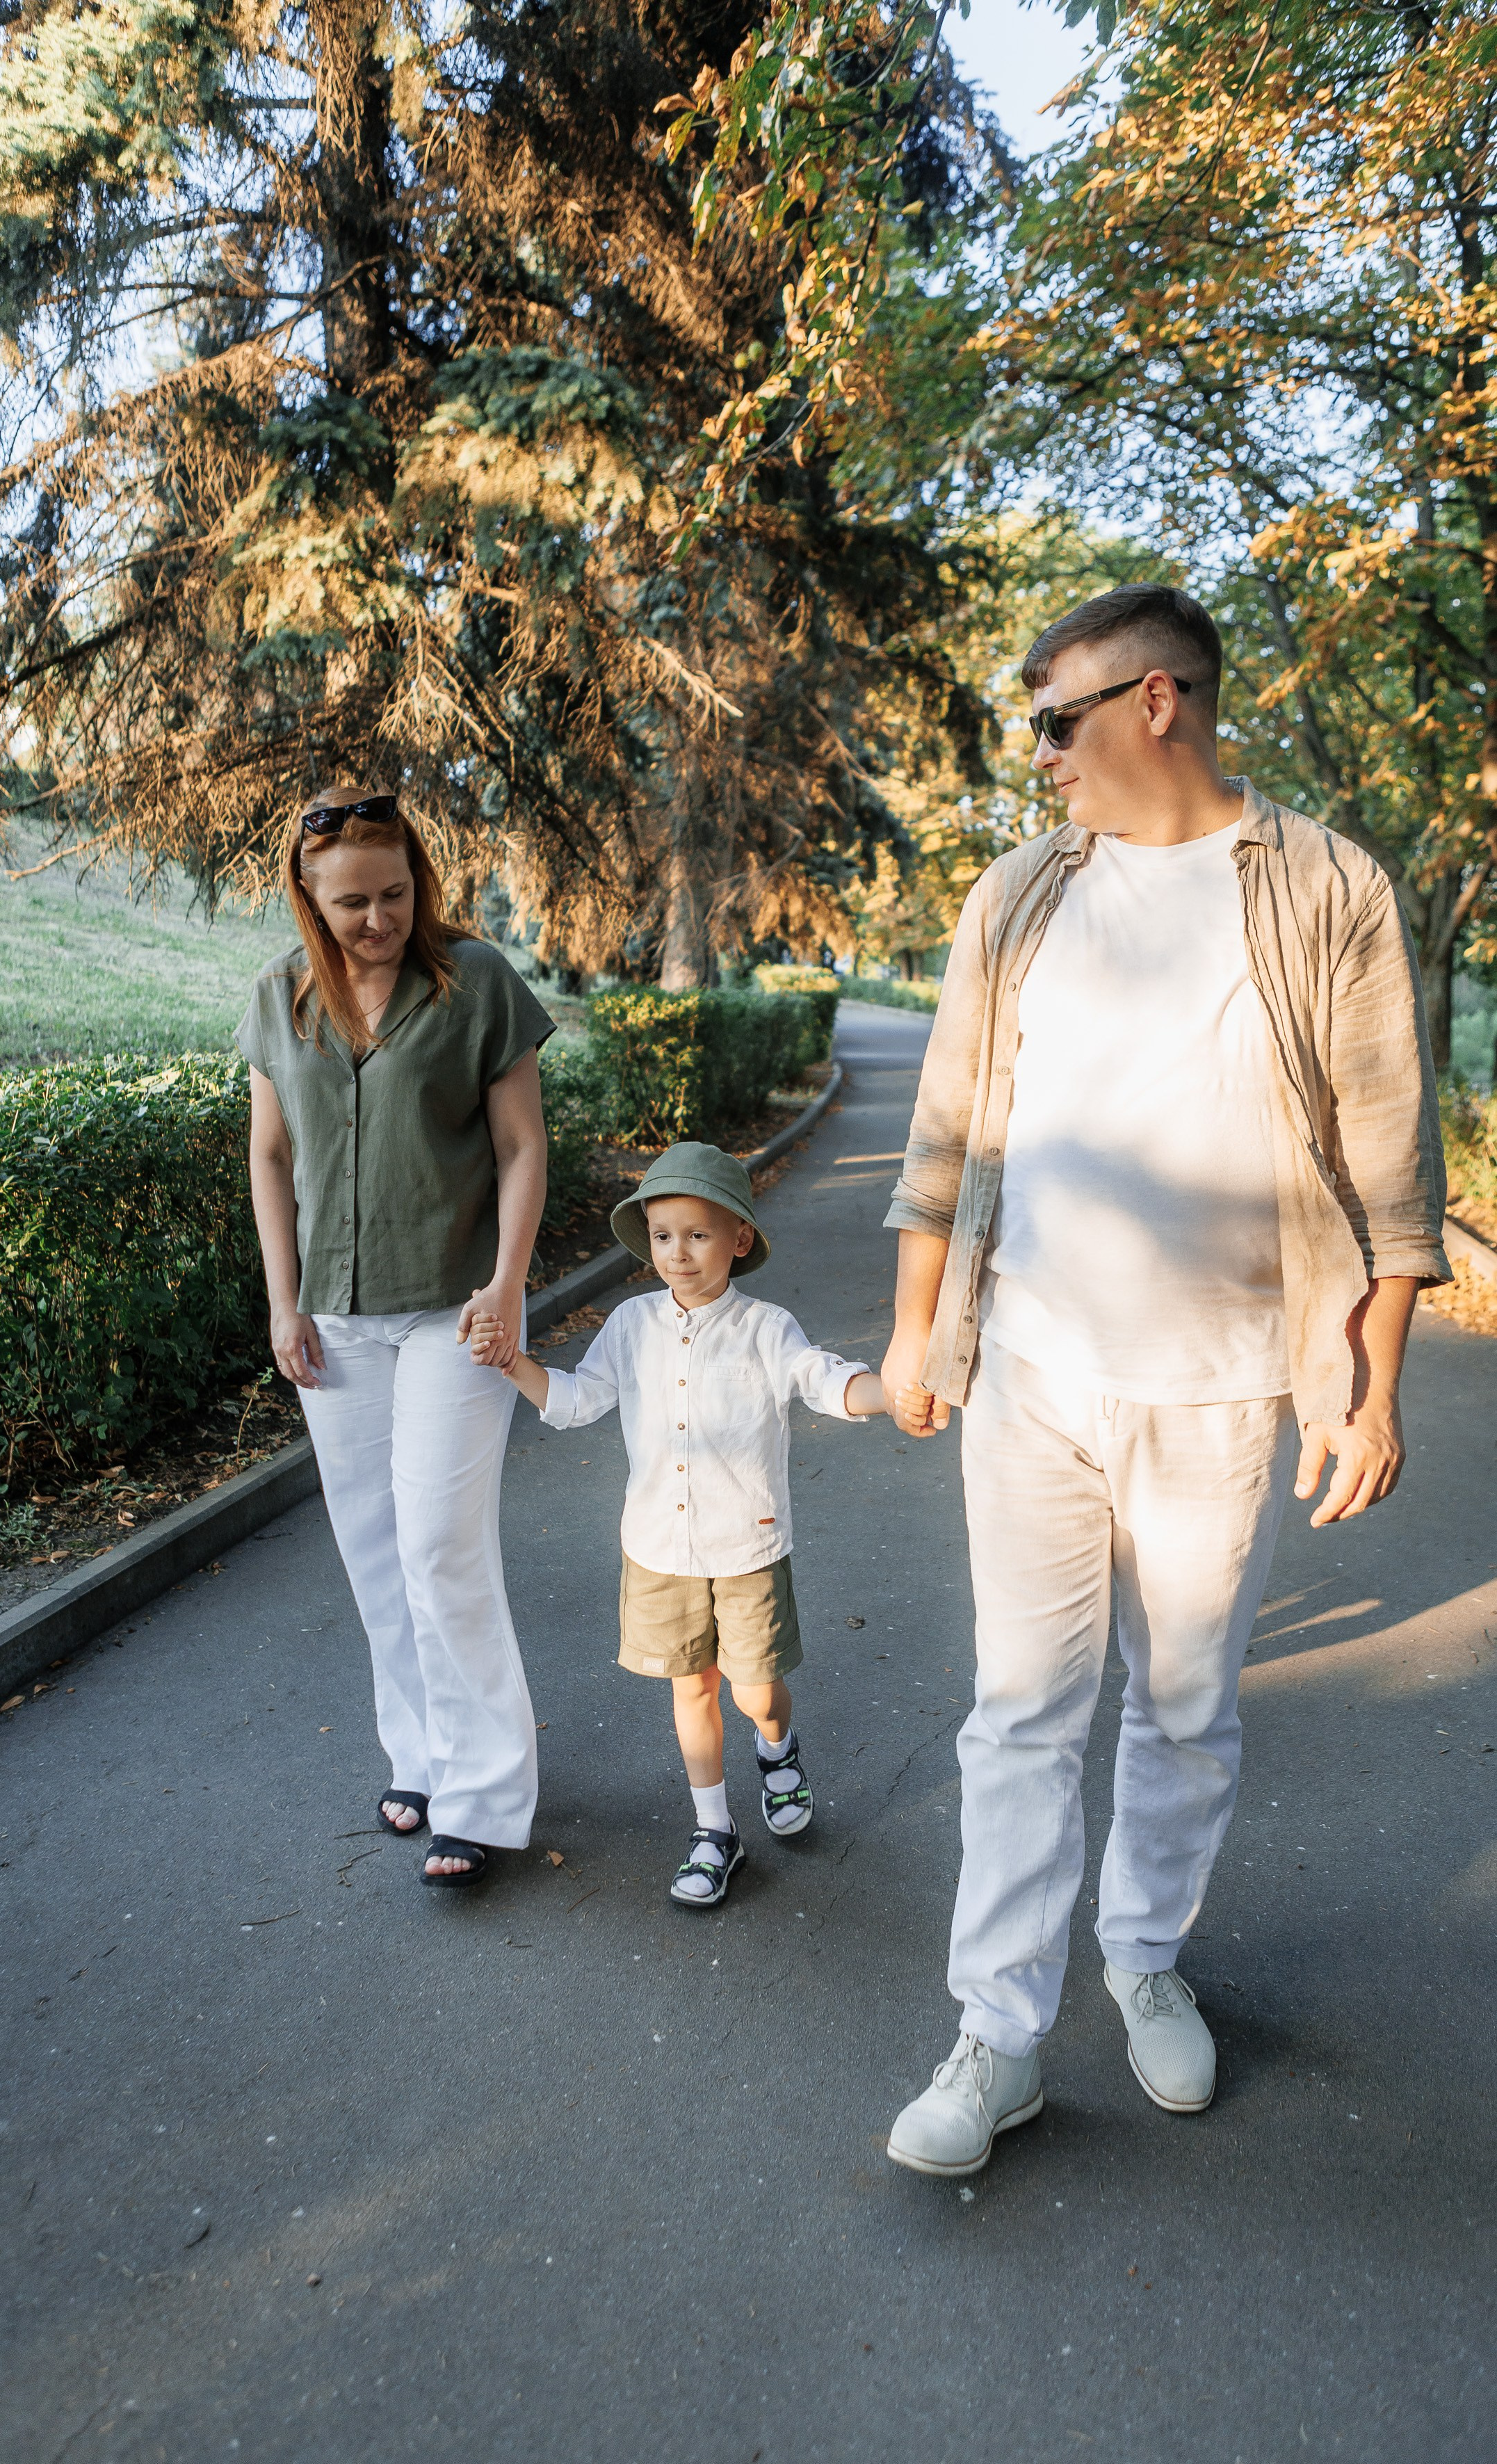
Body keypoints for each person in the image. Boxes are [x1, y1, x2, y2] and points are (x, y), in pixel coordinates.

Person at [878, 584, 1449, 2177]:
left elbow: (1387, 1164)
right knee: (1020, 1713)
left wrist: (1370, 1386)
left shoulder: (1327, 886)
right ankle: (994, 2038)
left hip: (1223, 1387)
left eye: (1055, 719)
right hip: (1034, 1376)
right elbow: (944, 1138)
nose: (1038, 752)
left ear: (1155, 704)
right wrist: (918, 1326)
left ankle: (1140, 1955)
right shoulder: (1017, 895)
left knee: (1183, 1704)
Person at [238, 785, 555, 1887]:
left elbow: (521, 1148)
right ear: (309, 902)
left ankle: (482, 1793)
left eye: (394, 892)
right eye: (351, 904)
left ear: (419, 877)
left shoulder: (477, 985)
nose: (377, 918)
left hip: (456, 1312)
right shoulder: (279, 1000)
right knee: (375, 1551)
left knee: (439, 1545)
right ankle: (418, 1756)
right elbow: (270, 1160)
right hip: (332, 1317)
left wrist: (509, 1282)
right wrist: (283, 1303)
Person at [469, 1143, 892, 1906]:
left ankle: (777, 1748)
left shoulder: (766, 1327)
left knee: (755, 1690)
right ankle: (712, 1831)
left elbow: (822, 1380)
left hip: (746, 1546)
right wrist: (511, 1364)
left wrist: (886, 1392)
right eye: (663, 1235)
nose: (678, 1253)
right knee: (691, 1688)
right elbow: (573, 1401)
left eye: (697, 1234)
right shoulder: (631, 1325)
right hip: (658, 1550)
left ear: (737, 1238)